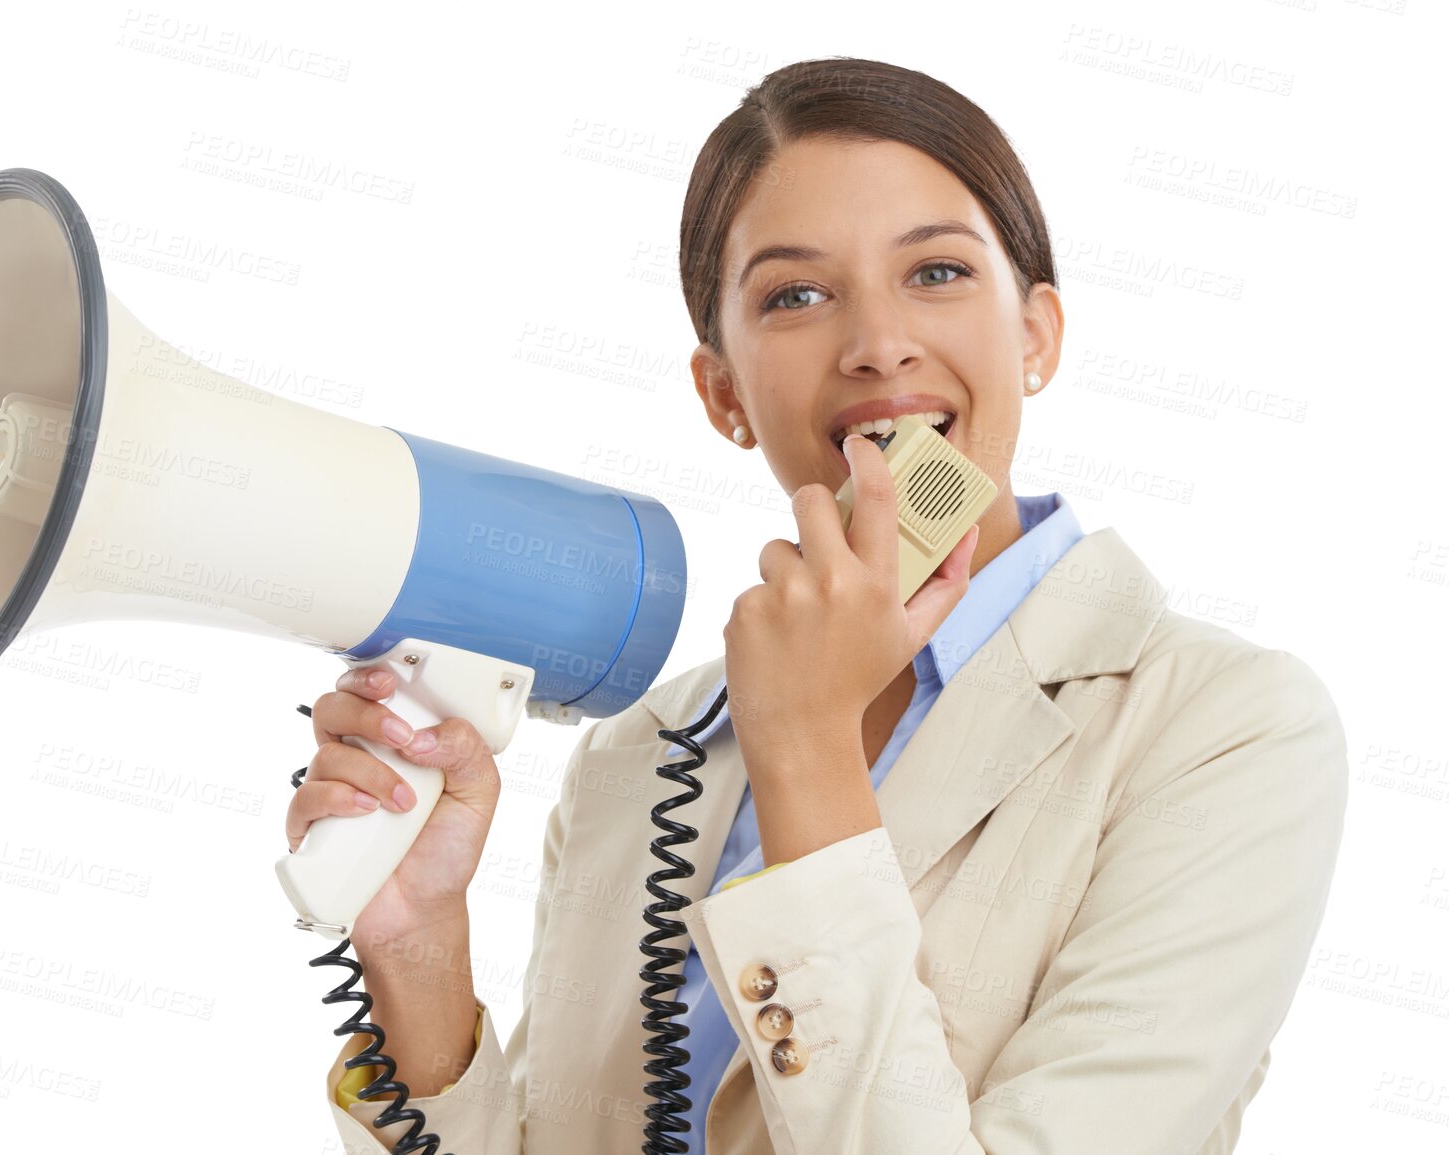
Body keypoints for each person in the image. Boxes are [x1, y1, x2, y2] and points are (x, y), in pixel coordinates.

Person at [291, 57, 1348, 1155]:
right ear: (723, 394)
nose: (878, 342)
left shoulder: (1228, 732)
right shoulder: (641, 757)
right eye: (796, 295)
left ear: (1035, 336)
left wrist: (806, 750)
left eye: (935, 272)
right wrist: (416, 950)